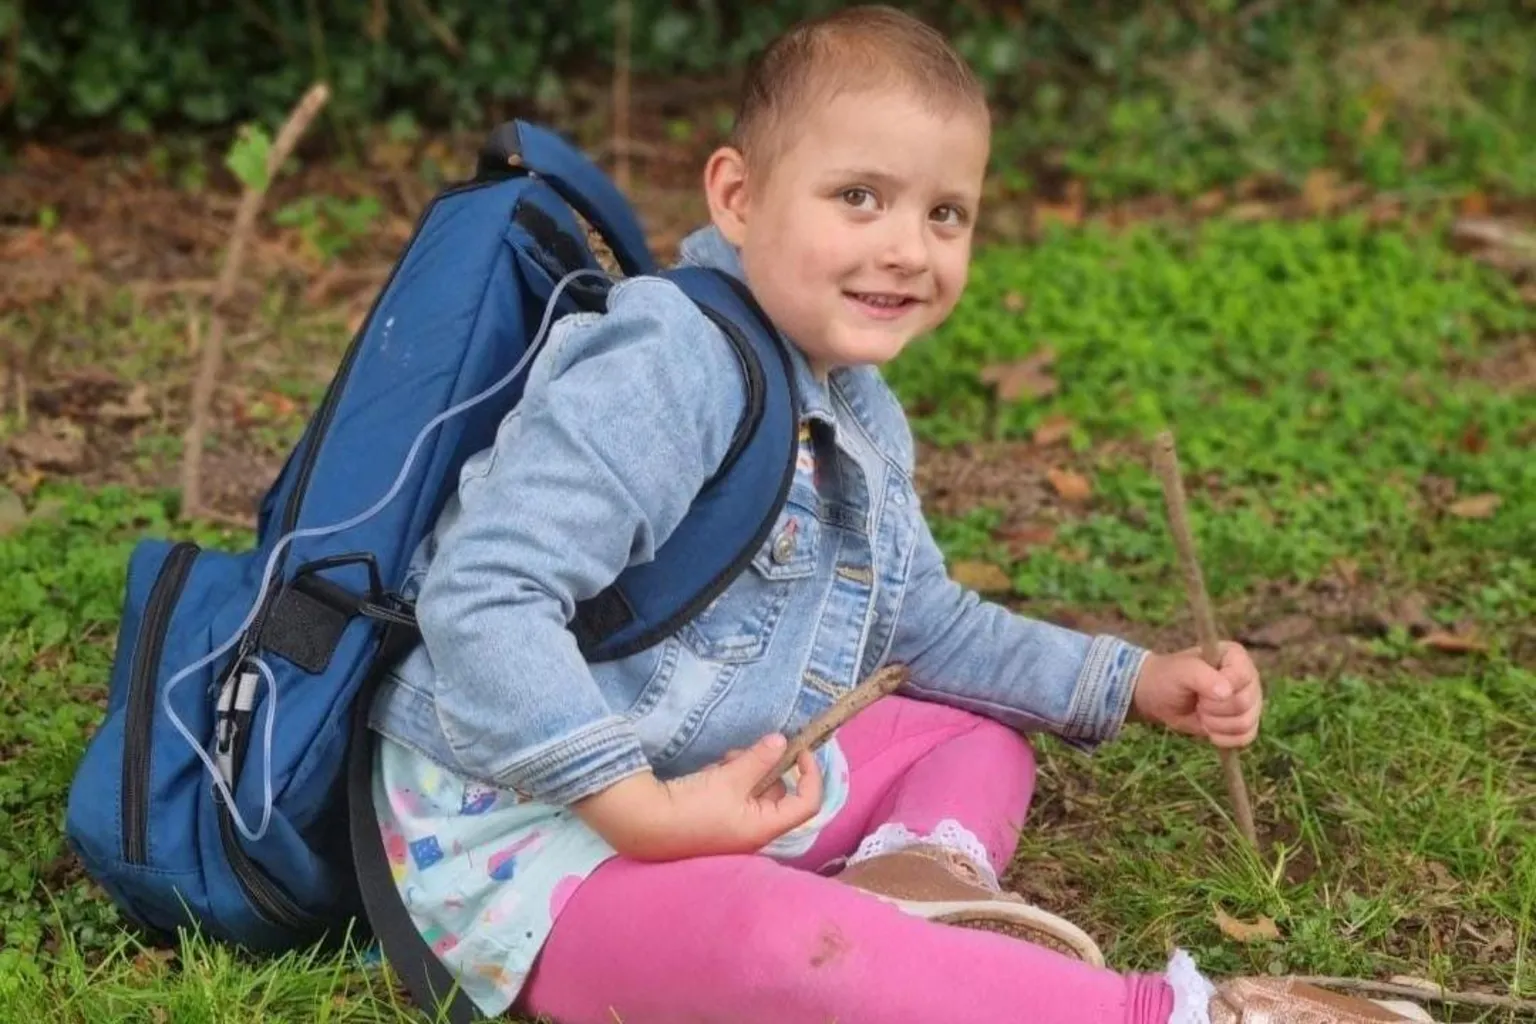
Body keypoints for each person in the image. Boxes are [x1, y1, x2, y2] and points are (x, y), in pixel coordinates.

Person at [366, 7, 1428, 1022]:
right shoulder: (666, 361)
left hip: (701, 779)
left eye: (944, 213)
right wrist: (640, 809)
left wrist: (1133, 680)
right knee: (779, 941)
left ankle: (908, 895)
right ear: (738, 197)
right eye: (859, 197)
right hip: (535, 829)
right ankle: (1171, 1014)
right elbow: (485, 594)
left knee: (979, 737)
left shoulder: (857, 408)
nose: (910, 249)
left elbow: (924, 627)